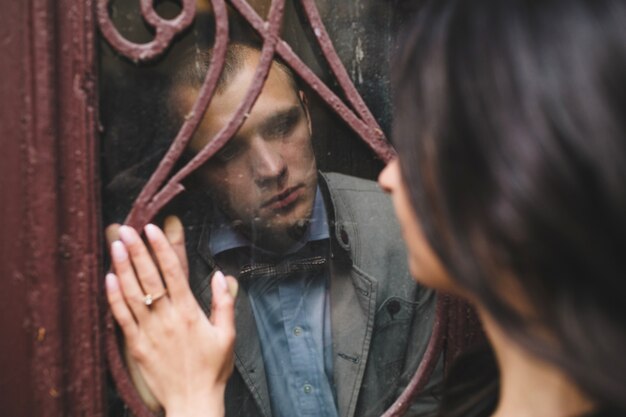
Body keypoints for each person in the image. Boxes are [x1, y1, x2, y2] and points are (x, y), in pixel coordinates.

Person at [107, 0, 626, 415]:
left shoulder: (392, 238)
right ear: (192, 169)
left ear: (523, 175)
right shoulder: (484, 391)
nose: (388, 174)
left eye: (426, 138)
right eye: (226, 153)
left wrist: (192, 401)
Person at [107, 43, 441, 417]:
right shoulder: (171, 282)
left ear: (308, 115)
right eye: (228, 152)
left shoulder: (396, 224)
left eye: (283, 126)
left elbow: (431, 402)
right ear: (192, 170)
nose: (271, 169)